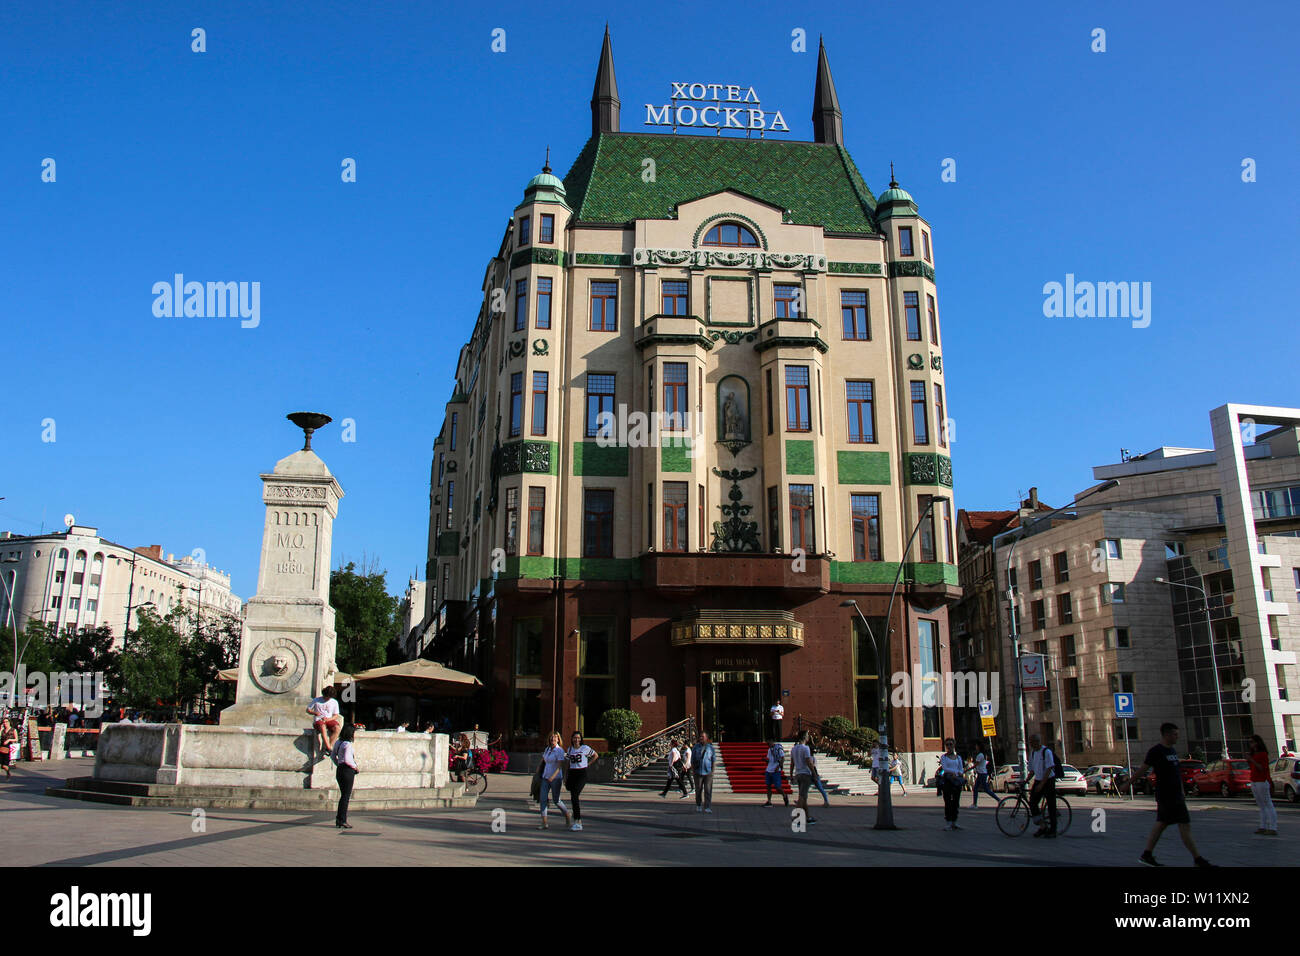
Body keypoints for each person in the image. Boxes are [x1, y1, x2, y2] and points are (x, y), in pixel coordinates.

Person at [1125, 722, 1213, 867]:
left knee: (1171, 824)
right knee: (1169, 824)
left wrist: (1182, 791)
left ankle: (1148, 855)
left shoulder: (1172, 751)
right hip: (1166, 794)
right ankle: (1196, 859)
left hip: (1176, 795)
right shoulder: (1156, 751)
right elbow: (1143, 769)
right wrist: (1129, 783)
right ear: (1166, 734)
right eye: (1175, 734)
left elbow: (1176, 773)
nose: (1177, 737)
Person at [537, 732, 571, 830]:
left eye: (555, 738)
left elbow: (560, 766)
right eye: (551, 738)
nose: (553, 740)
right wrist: (538, 769)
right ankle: (544, 822)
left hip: (555, 778)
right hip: (545, 777)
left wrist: (553, 776)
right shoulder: (547, 749)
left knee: (556, 800)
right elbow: (543, 760)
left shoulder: (559, 750)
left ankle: (567, 815)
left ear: (558, 740)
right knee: (543, 799)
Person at [1026, 733, 1058, 838]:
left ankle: (1053, 830)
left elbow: (1049, 769)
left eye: (1031, 743)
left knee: (1051, 805)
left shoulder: (1046, 752)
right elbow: (1032, 770)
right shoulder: (1033, 753)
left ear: (1037, 742)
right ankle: (1042, 826)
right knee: (1032, 803)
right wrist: (1026, 781)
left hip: (1048, 781)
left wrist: (1042, 784)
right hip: (1038, 780)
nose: (1030, 745)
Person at [565, 731, 597, 831]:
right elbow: (568, 763)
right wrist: (565, 776)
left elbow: (595, 755)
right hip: (572, 773)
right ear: (572, 739)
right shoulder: (569, 749)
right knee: (572, 793)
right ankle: (575, 815)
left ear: (581, 739)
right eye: (574, 738)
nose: (576, 740)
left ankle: (578, 821)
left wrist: (588, 764)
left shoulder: (585, 748)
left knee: (574, 796)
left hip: (581, 773)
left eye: (578, 738)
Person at [1247, 734, 1278, 836]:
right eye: (1250, 742)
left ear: (1257, 743)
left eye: (1252, 742)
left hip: (1262, 780)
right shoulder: (1253, 754)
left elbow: (1262, 768)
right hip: (1254, 780)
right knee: (1261, 804)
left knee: (1267, 803)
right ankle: (1263, 826)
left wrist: (1252, 760)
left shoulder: (1263, 754)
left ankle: (1273, 827)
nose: (1251, 744)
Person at [332, 723, 358, 829]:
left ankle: (339, 819)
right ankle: (342, 819)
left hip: (340, 769)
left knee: (343, 795)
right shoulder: (347, 744)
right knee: (345, 796)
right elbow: (348, 759)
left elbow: (333, 755)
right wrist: (355, 767)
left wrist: (338, 763)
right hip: (347, 771)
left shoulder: (338, 742)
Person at [790, 731, 817, 825]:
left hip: (798, 773)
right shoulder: (805, 748)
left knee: (803, 796)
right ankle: (796, 817)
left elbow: (792, 763)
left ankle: (808, 817)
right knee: (802, 796)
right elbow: (808, 762)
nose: (809, 737)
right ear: (805, 737)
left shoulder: (794, 749)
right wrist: (814, 773)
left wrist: (791, 775)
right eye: (808, 736)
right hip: (805, 774)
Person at [307, 687, 342, 758]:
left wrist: (328, 719)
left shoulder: (334, 702)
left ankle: (329, 746)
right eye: (326, 697)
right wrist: (315, 713)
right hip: (318, 720)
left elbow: (336, 715)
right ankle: (329, 748)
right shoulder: (316, 700)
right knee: (322, 727)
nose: (327, 698)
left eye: (329, 697)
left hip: (329, 719)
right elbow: (308, 710)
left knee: (337, 728)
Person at [939, 738, 964, 830]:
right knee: (948, 801)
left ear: (954, 745)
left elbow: (961, 768)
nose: (949, 746)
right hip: (948, 780)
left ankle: (955, 821)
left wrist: (958, 773)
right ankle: (948, 822)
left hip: (957, 781)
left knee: (956, 802)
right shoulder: (944, 757)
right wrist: (955, 772)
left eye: (950, 744)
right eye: (947, 745)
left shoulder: (958, 757)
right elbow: (945, 768)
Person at [692, 731, 715, 813]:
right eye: (700, 736)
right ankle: (698, 805)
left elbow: (713, 760)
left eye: (703, 737)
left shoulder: (710, 748)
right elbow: (692, 760)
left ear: (706, 738)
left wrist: (712, 771)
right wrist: (693, 771)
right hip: (698, 772)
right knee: (698, 790)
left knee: (708, 790)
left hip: (708, 772)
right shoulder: (695, 747)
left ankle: (707, 807)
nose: (701, 738)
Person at [762, 738, 789, 806]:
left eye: (769, 743)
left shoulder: (778, 748)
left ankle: (784, 795)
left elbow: (782, 758)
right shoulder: (769, 750)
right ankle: (769, 801)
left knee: (777, 787)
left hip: (776, 770)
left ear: (772, 741)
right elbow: (770, 760)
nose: (768, 744)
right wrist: (765, 760)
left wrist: (779, 766)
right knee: (768, 786)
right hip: (769, 769)